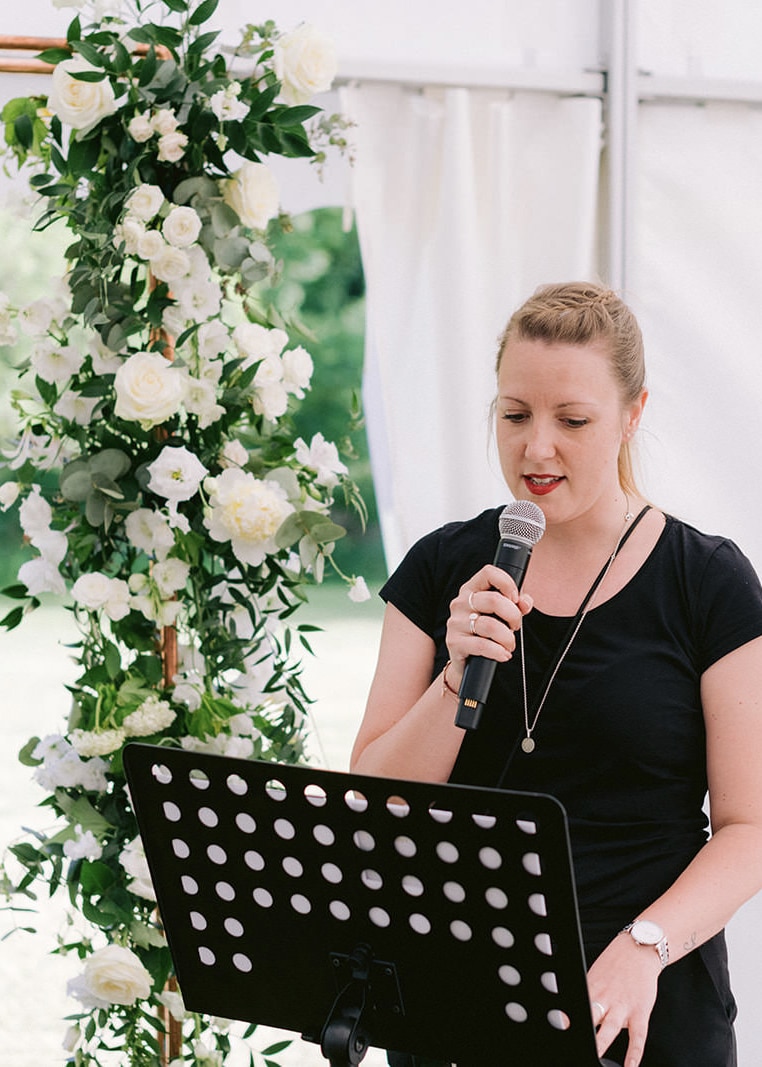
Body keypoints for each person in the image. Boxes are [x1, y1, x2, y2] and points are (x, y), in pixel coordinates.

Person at [350, 282, 762, 1067]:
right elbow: (378, 800)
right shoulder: (441, 565)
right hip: (459, 986)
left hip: (644, 997)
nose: (536, 449)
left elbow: (751, 827)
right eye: (514, 416)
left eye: (572, 421)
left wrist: (646, 947)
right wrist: (454, 677)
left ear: (633, 414)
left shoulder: (707, 580)